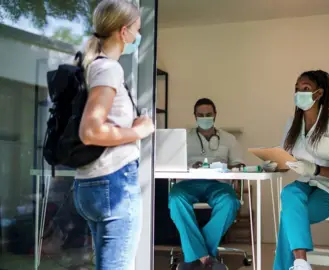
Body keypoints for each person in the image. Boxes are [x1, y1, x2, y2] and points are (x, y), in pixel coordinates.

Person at [72, 0, 154, 269]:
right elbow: (90, 130)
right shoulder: (108, 68)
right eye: (137, 30)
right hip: (113, 182)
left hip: (89, 183)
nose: (138, 37)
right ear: (123, 32)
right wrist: (137, 131)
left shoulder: (90, 65)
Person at [265, 70, 329, 270]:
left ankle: (298, 263)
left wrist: (314, 169)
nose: (299, 93)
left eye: (305, 88)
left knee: (289, 217)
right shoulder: (293, 124)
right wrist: (271, 162)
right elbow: (284, 157)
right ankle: (301, 263)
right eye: (297, 89)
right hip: (305, 184)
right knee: (289, 194)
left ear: (319, 93)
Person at [169, 98, 244, 270]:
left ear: (215, 115)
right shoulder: (183, 138)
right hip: (188, 184)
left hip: (218, 184)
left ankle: (195, 257)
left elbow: (239, 164)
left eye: (208, 114)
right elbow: (172, 163)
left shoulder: (229, 139)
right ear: (195, 116)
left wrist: (225, 166)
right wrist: (189, 167)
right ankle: (207, 258)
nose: (205, 118)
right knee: (175, 199)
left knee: (230, 202)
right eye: (200, 115)